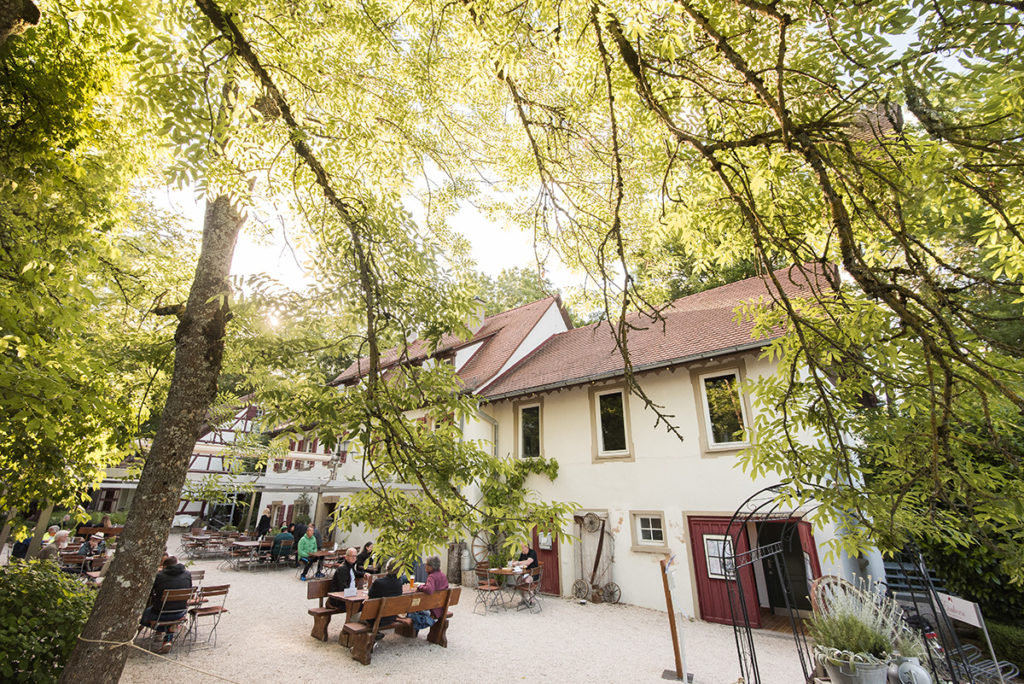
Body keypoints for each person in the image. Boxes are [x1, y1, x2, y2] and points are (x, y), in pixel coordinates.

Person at [139, 555, 193, 653]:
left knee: (142, 616)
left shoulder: (159, 576)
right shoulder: (187, 574)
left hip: (160, 614)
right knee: (171, 618)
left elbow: (150, 593)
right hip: (180, 612)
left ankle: (156, 633)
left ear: (164, 566)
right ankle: (168, 637)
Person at [366, 559, 404, 638]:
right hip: (391, 617)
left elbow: (370, 596)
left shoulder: (378, 582)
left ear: (387, 567)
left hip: (374, 619)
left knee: (356, 614)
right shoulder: (399, 583)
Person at [410, 555, 449, 628]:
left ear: (431, 567)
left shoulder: (432, 577)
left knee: (411, 611)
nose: (425, 566)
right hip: (441, 606)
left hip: (433, 608)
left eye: (426, 564)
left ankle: (427, 621)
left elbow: (429, 590)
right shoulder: (443, 575)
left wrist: (419, 587)